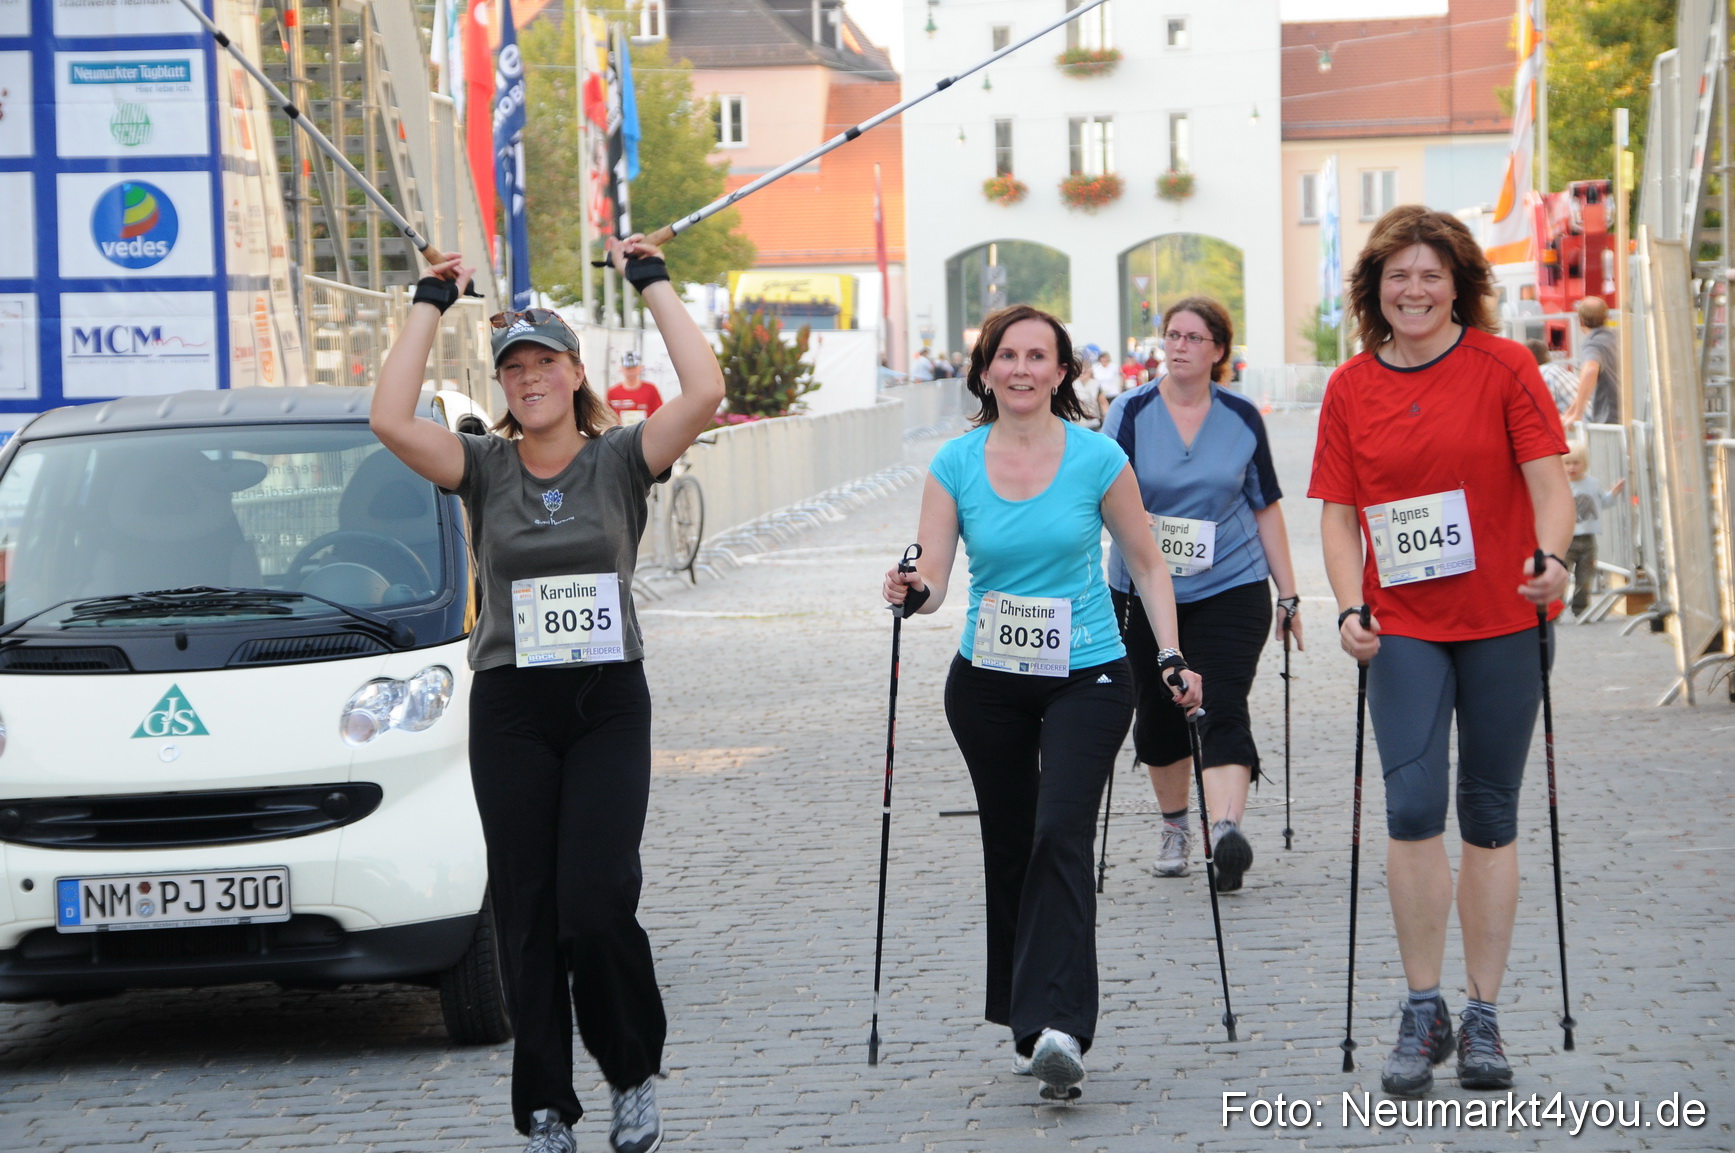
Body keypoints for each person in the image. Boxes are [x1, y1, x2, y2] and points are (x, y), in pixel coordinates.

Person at [370, 236, 725, 1153]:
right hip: (513, 705)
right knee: (526, 905)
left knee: (596, 900)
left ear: (574, 373)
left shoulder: (618, 460)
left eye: (544, 363)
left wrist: (651, 283)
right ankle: (543, 1109)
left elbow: (703, 391)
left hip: (605, 701)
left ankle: (632, 1072)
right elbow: (388, 419)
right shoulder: (481, 466)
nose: (527, 378)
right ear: (502, 383)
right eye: (512, 367)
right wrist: (429, 298)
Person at [881, 304, 1203, 1104]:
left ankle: (1061, 1024)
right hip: (986, 681)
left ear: (1063, 373)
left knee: (1060, 828)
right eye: (1006, 355)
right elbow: (933, 579)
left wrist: (1167, 652)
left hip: (1086, 673)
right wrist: (909, 587)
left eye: (1038, 356)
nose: (1021, 369)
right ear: (985, 368)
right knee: (1012, 842)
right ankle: (1025, 1022)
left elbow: (1147, 563)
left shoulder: (1096, 457)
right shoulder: (954, 463)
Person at [1309, 206, 1573, 1098]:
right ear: (1373, 290)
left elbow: (1549, 486)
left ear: (1457, 283)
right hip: (1405, 626)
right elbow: (1338, 517)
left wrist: (1555, 562)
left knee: (1489, 812)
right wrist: (1348, 604)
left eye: (1429, 275)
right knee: (1412, 804)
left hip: (1502, 616)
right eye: (1397, 277)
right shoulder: (1349, 387)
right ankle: (1421, 1008)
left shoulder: (1504, 366)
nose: (1413, 290)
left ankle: (1483, 1014)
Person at [1102, 296, 1304, 891]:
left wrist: (1288, 594)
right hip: (1141, 587)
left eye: (1194, 337)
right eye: (1172, 335)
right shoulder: (1130, 412)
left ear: (1219, 349)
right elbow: (1098, 497)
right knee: (1160, 713)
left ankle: (1226, 832)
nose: (1180, 346)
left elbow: (1266, 508)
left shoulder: (1241, 416)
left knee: (1220, 703)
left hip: (1230, 585)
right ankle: (1175, 826)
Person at [1562, 442, 1624, 616]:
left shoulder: (1593, 483)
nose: (1572, 467)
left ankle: (1581, 610)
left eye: (1576, 463)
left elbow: (1601, 503)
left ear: (1585, 464)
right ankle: (1555, 611)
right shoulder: (1560, 484)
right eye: (1567, 463)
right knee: (1561, 576)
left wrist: (1613, 493)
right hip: (1567, 539)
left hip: (1588, 538)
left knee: (1585, 578)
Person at [1562, 296, 1619, 427]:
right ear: (1607, 318)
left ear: (1580, 322)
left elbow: (1590, 371)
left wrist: (1577, 415)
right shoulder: (1616, 337)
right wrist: (1570, 413)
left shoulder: (1593, 345)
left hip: (1610, 421)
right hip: (1629, 417)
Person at [1525, 337, 1577, 421]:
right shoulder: (1553, 369)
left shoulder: (1543, 374)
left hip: (1585, 427)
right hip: (1591, 421)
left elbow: (1544, 411)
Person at [606, 350, 663, 424]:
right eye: (627, 368)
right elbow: (607, 418)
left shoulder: (651, 389)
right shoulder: (612, 392)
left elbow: (659, 413)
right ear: (621, 368)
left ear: (640, 368)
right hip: (621, 433)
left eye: (634, 367)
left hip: (645, 433)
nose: (631, 371)